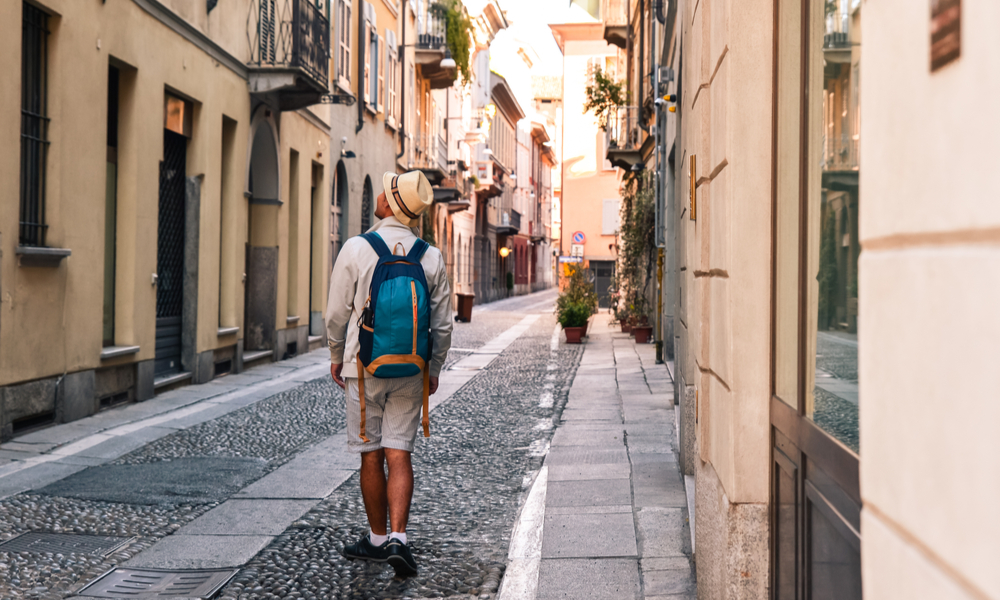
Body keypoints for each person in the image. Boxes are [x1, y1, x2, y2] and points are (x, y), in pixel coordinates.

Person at [325, 170, 452, 577]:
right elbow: (443, 325)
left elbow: (335, 313)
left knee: (370, 454)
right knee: (400, 452)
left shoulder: (357, 248)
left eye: (385, 190)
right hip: (412, 369)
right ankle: (400, 537)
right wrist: (432, 369)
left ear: (390, 203)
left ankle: (377, 538)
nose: (379, 193)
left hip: (362, 367)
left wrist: (334, 354)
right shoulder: (430, 256)